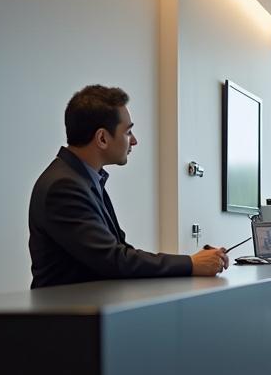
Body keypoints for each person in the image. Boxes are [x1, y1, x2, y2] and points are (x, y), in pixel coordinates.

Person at [29, 85, 228, 288]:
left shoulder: (84, 179)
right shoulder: (64, 186)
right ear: (102, 138)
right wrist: (191, 264)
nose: (134, 141)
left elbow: (121, 250)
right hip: (67, 316)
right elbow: (114, 259)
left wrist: (193, 263)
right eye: (128, 132)